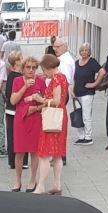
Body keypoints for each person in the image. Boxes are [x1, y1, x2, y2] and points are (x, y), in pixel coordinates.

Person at [29, 52, 69, 195]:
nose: (44, 73)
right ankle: (56, 185)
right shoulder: (62, 77)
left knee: (44, 153)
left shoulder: (56, 80)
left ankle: (41, 186)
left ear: (49, 68)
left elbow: (56, 101)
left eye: (44, 70)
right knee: (57, 153)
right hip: (61, 116)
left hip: (53, 116)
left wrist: (41, 100)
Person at [9, 54, 40, 190]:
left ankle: (33, 180)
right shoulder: (17, 81)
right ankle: (18, 180)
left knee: (34, 151)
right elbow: (13, 101)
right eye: (28, 67)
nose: (31, 70)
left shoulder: (40, 81)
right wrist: (25, 87)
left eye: (33, 67)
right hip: (21, 118)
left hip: (35, 117)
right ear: (23, 68)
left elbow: (46, 101)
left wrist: (36, 107)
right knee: (19, 151)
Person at [72, 44, 103, 144]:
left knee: (86, 115)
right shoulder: (76, 63)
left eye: (86, 50)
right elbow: (74, 78)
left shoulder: (92, 62)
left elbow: (102, 72)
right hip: (77, 93)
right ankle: (81, 136)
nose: (84, 52)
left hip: (87, 93)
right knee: (78, 115)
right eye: (82, 50)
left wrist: (95, 84)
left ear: (89, 52)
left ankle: (88, 137)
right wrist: (72, 90)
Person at [3, 49, 24, 178]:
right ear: (16, 63)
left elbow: (7, 94)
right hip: (16, 110)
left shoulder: (10, 76)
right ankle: (20, 161)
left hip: (9, 109)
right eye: (21, 60)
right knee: (19, 136)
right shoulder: (18, 78)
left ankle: (11, 160)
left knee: (11, 135)